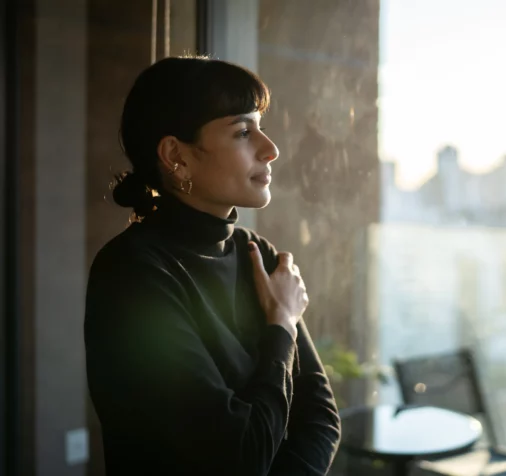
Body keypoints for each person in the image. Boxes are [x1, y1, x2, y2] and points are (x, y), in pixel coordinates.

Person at [84, 56, 341, 475]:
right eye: (243, 131)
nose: (270, 148)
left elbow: (321, 420)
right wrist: (281, 325)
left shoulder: (259, 253)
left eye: (260, 125)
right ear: (176, 155)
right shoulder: (132, 275)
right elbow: (239, 458)